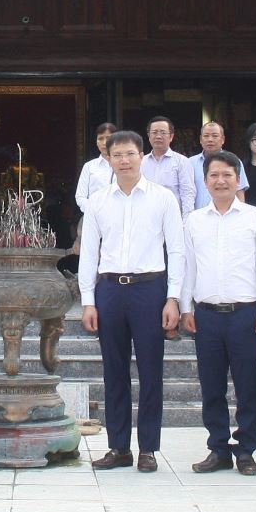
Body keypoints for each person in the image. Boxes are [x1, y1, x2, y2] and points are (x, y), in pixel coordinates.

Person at [78, 130, 184, 472]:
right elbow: (89, 253)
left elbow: (177, 250)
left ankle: (148, 448)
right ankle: (119, 447)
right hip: (110, 290)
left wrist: (173, 298)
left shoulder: (163, 198)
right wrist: (88, 300)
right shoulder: (98, 201)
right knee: (114, 371)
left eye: (130, 154)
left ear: (141, 156)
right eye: (117, 155)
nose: (124, 160)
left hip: (149, 289)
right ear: (108, 159)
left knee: (151, 371)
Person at [181, 150, 256, 476]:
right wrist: (185, 307)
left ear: (238, 180)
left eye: (227, 175)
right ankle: (219, 448)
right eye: (214, 175)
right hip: (206, 315)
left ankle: (246, 449)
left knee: (247, 385)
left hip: (245, 314)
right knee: (211, 385)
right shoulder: (194, 221)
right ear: (205, 181)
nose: (220, 181)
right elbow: (188, 267)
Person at [140, 115, 196, 212]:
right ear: (149, 136)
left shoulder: (182, 162)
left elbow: (187, 193)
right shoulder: (141, 162)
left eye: (163, 132)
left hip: (172, 215)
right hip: (146, 215)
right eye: (154, 132)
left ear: (171, 137)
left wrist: (186, 218)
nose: (158, 136)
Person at [189, 122, 247, 211]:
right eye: (206, 136)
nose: (210, 139)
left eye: (215, 136)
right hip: (198, 216)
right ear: (200, 139)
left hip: (228, 216)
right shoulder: (190, 163)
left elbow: (239, 192)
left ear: (223, 139)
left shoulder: (234, 161)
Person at [74, 122, 117, 214]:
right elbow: (80, 196)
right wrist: (92, 211)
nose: (104, 142)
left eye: (108, 138)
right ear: (96, 142)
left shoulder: (124, 164)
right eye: (100, 139)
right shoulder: (89, 167)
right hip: (93, 215)